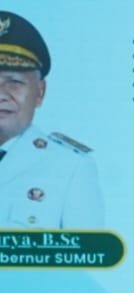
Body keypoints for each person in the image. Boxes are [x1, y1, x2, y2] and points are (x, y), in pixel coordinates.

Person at [0, 11, 104, 228]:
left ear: (40, 93)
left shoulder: (70, 167)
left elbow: (85, 248)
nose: (1, 94)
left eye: (15, 82)